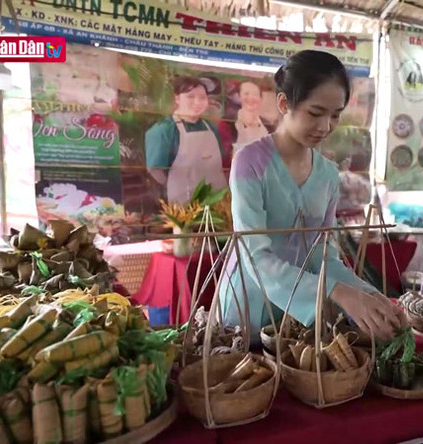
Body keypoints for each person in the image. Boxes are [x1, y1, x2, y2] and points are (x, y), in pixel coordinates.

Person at [222, 50, 406, 341]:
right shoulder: (250, 162)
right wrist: (336, 291)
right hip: (249, 305)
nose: (326, 126)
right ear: (284, 103)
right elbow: (254, 257)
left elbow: (326, 256)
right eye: (315, 113)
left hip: (303, 312)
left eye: (335, 115)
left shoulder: (328, 175)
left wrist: (371, 296)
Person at [144, 76, 228, 204]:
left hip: (218, 203)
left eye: (202, 97)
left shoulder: (211, 127)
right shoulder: (164, 130)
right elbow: (155, 170)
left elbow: (220, 162)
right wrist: (178, 185)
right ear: (177, 98)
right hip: (185, 207)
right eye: (190, 96)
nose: (198, 102)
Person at [219, 81, 271, 155]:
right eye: (246, 94)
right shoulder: (227, 123)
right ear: (239, 97)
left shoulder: (268, 126)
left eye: (255, 94)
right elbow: (223, 156)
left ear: (261, 99)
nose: (251, 98)